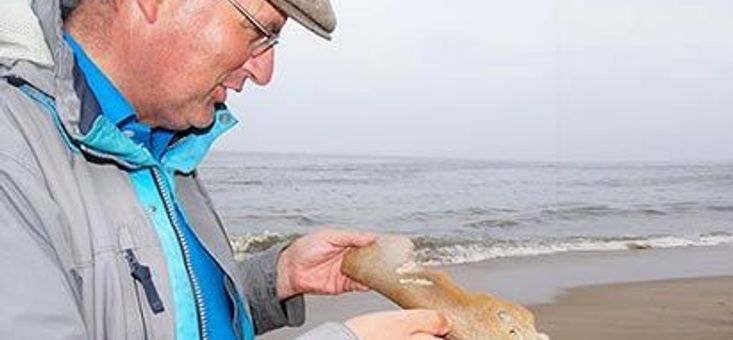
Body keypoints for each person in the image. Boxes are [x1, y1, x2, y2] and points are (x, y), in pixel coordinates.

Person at [0, 0, 449, 339]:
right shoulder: (13, 151)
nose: (264, 70)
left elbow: (161, 309)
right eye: (259, 31)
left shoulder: (164, 143)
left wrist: (273, 281)